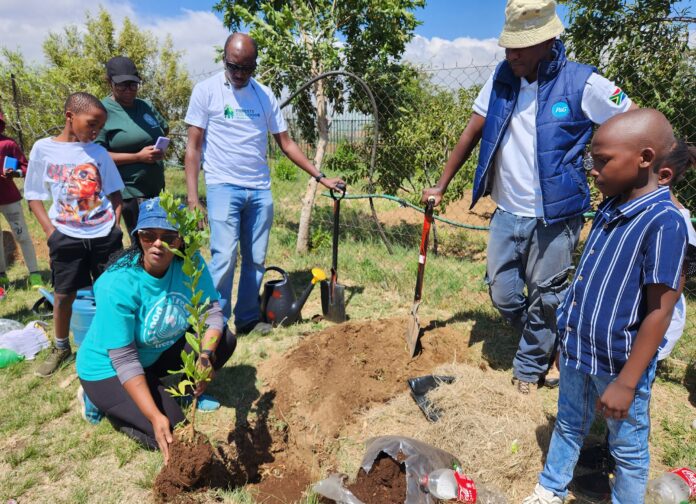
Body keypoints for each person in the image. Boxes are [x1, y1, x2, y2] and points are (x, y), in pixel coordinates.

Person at [421, 0, 635, 394]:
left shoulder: (583, 83)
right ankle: (551, 339)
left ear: (549, 40)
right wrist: (442, 184)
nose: (511, 53)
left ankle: (529, 366)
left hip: (555, 217)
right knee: (503, 294)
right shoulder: (502, 79)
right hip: (507, 211)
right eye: (508, 45)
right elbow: (471, 132)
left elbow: (634, 123)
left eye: (521, 45)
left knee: (547, 295)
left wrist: (603, 164)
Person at [523, 109, 688, 504]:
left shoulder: (666, 222)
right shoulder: (609, 207)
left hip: (619, 363)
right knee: (567, 424)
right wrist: (567, 340)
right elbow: (587, 284)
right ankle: (551, 486)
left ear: (645, 159)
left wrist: (628, 382)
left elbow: (659, 312)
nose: (592, 170)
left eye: (602, 161)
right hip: (581, 350)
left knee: (627, 449)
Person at [184, 33, 345, 335]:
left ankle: (246, 319)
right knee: (224, 256)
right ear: (224, 60)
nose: (240, 75)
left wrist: (321, 178)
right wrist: (193, 197)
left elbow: (286, 143)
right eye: (234, 67)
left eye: (247, 69)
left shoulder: (264, 95)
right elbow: (192, 147)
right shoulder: (206, 92)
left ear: (255, 65)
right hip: (222, 186)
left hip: (258, 189)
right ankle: (214, 323)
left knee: (256, 259)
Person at [571, 139, 696, 500]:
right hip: (625, 328)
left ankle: (620, 457)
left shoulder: (677, 224)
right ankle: (613, 444)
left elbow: (679, 282)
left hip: (647, 329)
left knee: (633, 395)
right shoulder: (635, 210)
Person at [75, 197, 237, 461]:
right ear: (138, 236)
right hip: (108, 367)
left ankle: (182, 391)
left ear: (181, 240)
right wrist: (153, 415)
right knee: (168, 431)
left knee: (223, 340)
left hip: (150, 354)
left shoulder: (190, 263)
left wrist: (205, 357)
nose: (158, 244)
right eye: (149, 235)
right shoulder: (116, 283)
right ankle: (101, 400)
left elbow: (211, 312)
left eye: (169, 237)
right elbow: (125, 359)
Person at [25, 92, 124, 377]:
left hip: (103, 234)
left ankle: (113, 345)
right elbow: (33, 195)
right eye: (91, 124)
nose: (95, 132)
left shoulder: (98, 153)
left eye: (99, 127)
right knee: (64, 294)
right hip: (65, 235)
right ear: (70, 116)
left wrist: (114, 227)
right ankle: (61, 347)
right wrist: (51, 232)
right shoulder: (43, 149)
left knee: (109, 291)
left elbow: (115, 193)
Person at [96, 56, 169, 236]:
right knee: (143, 244)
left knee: (159, 242)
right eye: (122, 85)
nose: (129, 90)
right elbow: (97, 156)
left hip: (156, 190)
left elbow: (163, 129)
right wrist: (138, 157)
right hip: (129, 193)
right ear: (110, 83)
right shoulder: (102, 111)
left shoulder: (145, 106)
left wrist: (157, 150)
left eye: (133, 85)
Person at [0, 110, 43, 289]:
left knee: (22, 235)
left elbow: (25, 167)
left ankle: (34, 274)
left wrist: (14, 173)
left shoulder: (8, 144)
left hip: (9, 198)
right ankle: (2, 279)